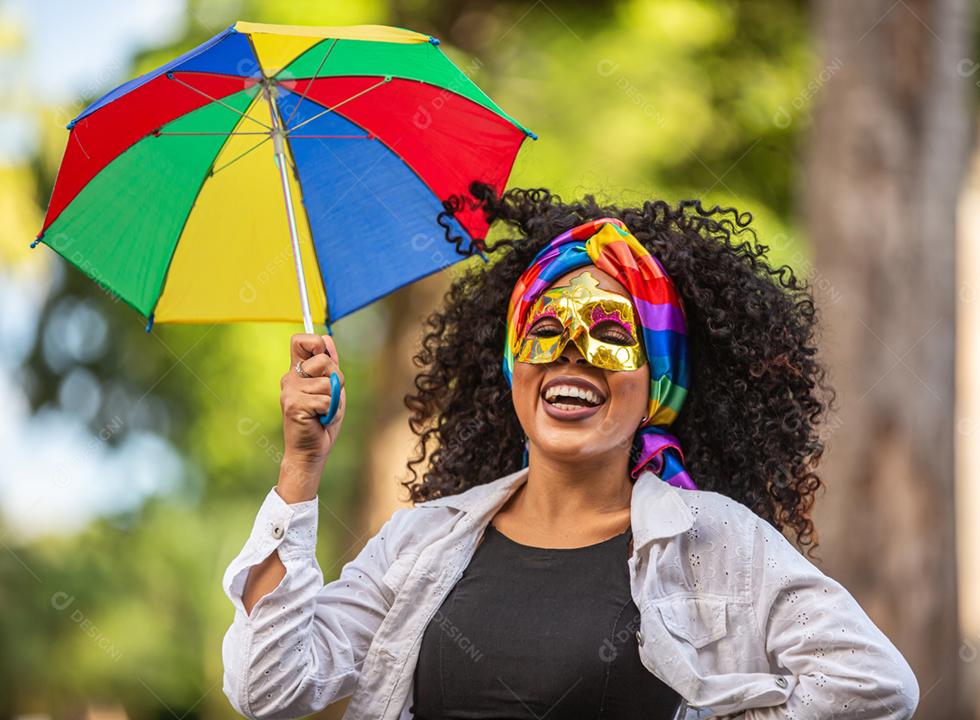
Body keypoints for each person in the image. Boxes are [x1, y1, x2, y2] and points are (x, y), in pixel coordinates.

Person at [220, 187, 920, 720]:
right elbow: (271, 686)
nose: (572, 352)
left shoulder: (715, 542)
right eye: (546, 326)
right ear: (512, 365)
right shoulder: (420, 542)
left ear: (657, 382)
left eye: (611, 331)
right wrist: (301, 467)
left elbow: (872, 683)